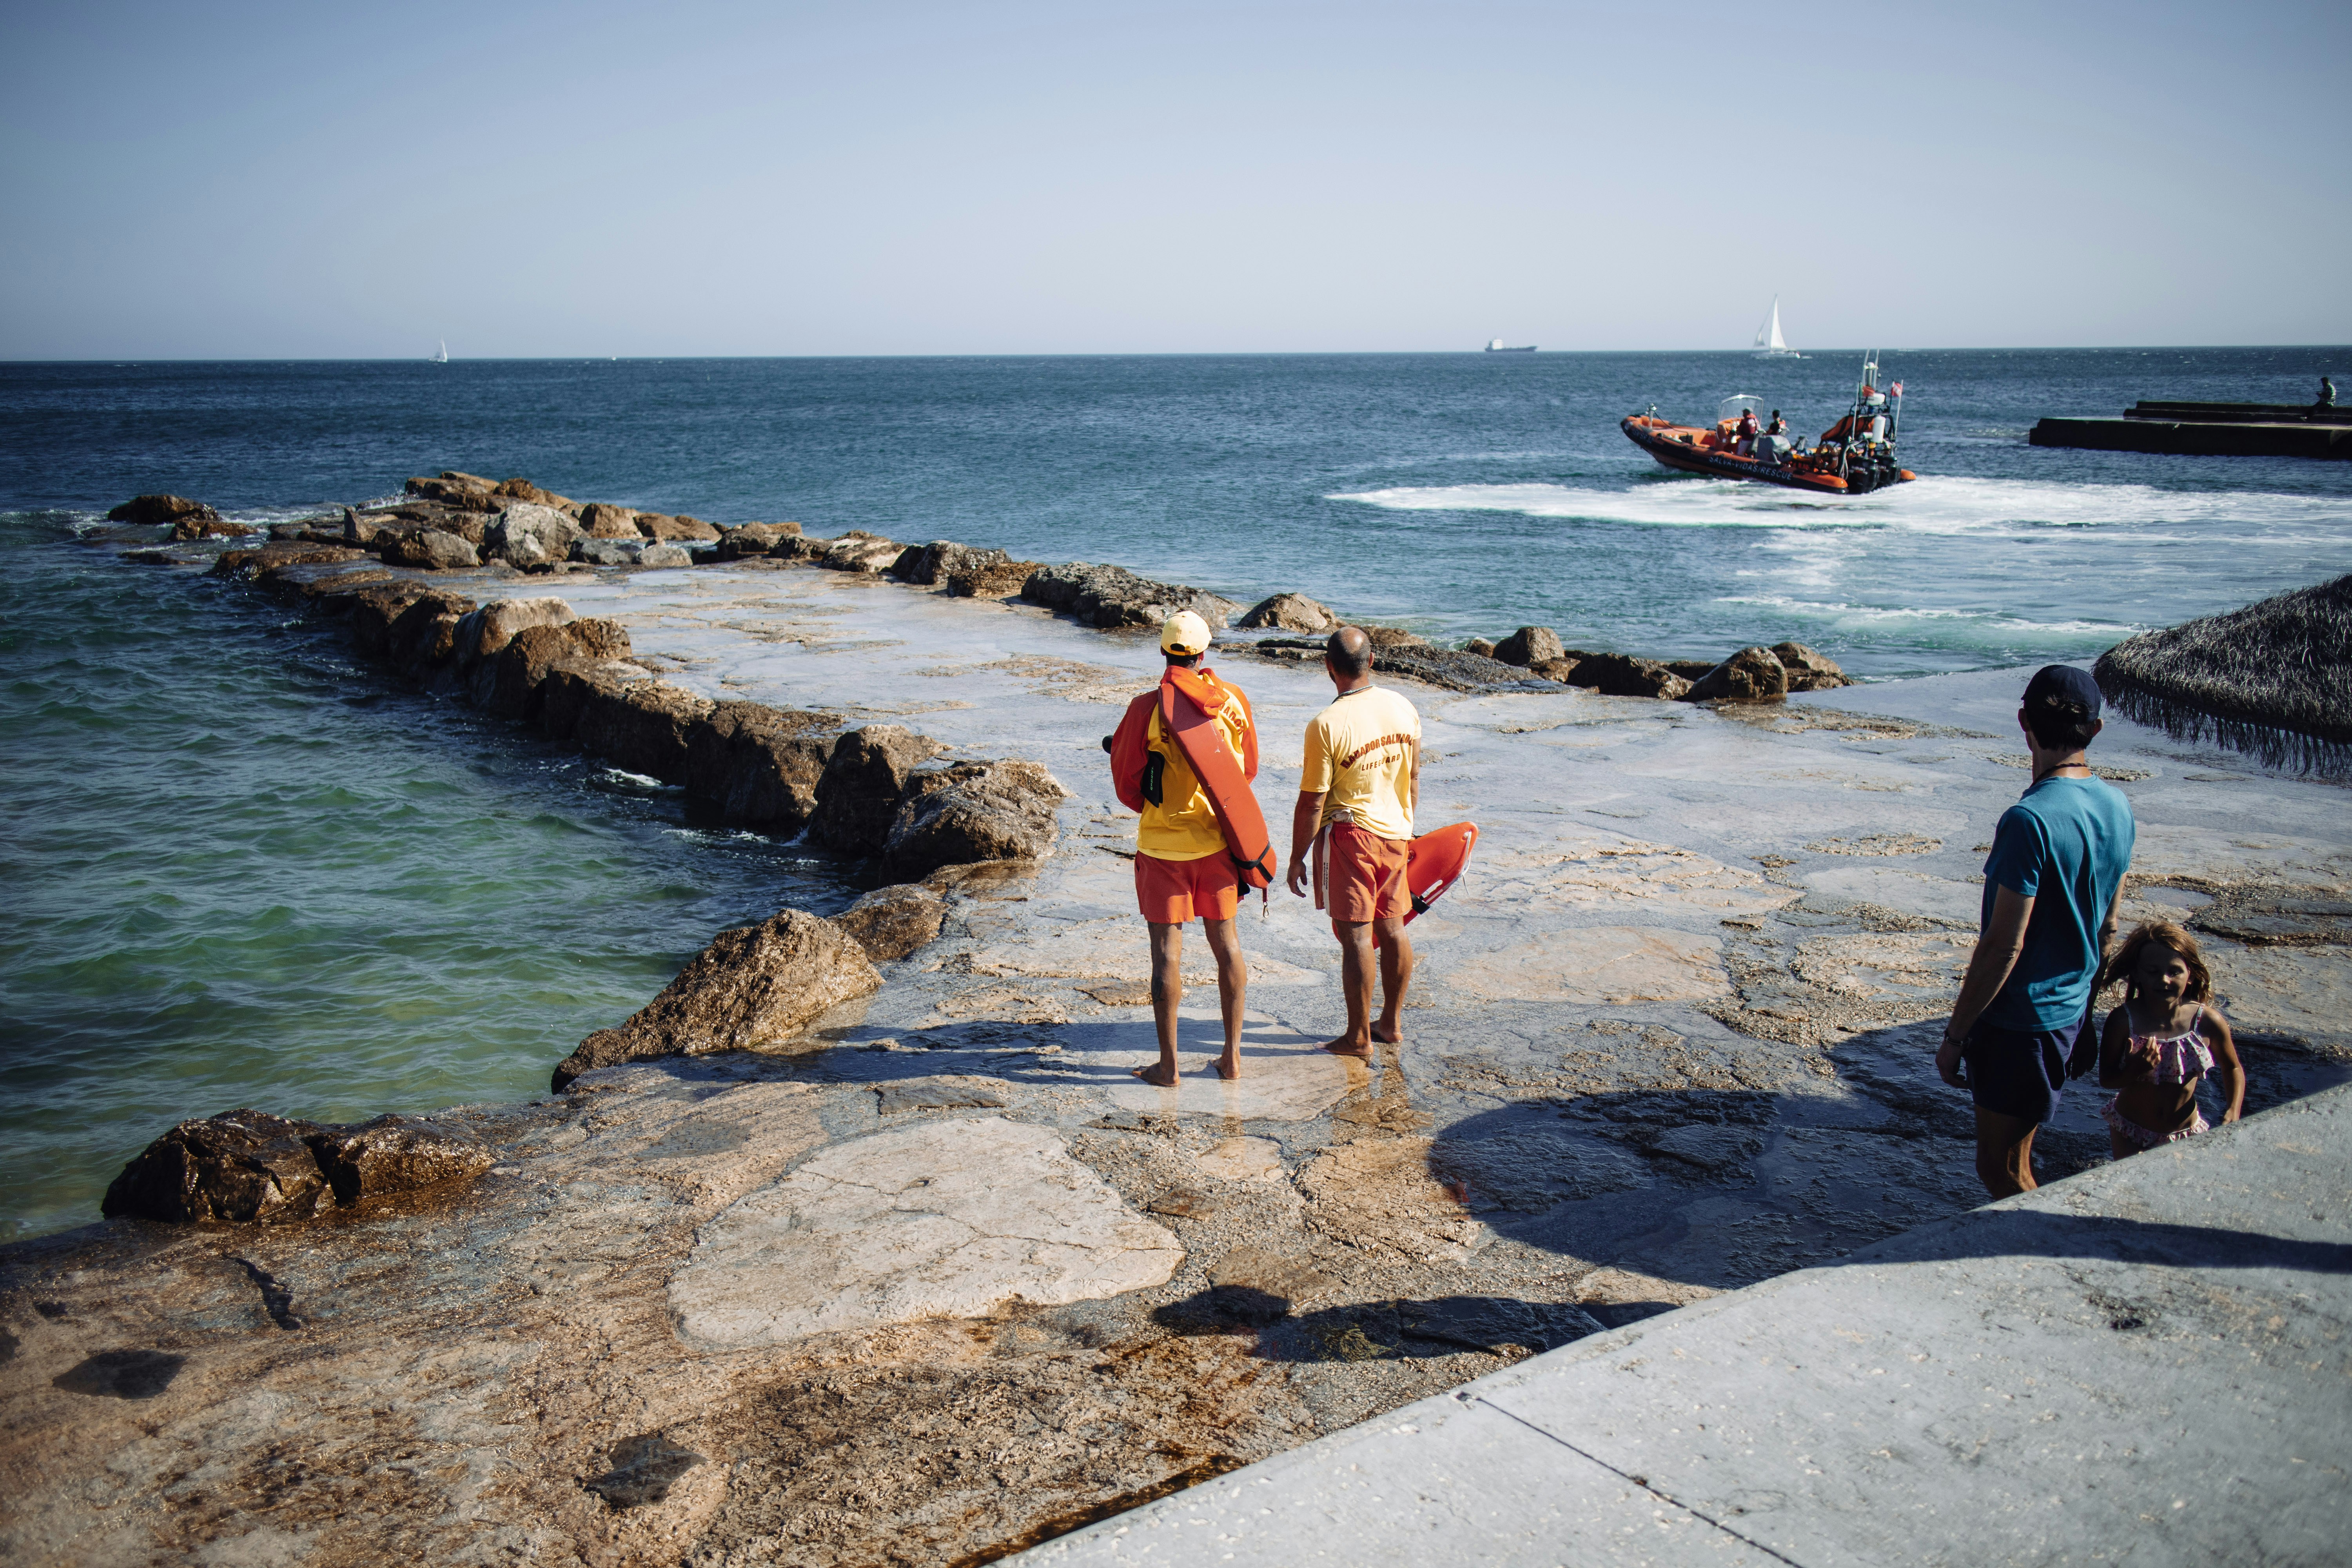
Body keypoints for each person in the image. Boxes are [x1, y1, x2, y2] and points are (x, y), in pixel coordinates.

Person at [1936, 665, 2136, 1198]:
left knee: (1999, 1170)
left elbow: (2003, 946)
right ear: (2095, 731)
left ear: (2023, 721)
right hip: (2065, 1012)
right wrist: (2087, 1015)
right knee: (2018, 1159)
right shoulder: (2118, 807)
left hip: (2018, 1023)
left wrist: (1955, 1037)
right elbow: (2108, 927)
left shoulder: (2029, 820)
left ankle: (2040, 1260)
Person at [1107, 611, 1256, 1085]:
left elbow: (1127, 788)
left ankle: (1168, 1066)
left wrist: (1158, 801)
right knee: (1227, 946)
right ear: (1203, 653)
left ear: (1164, 652)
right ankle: (1231, 1058)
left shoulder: (1143, 708)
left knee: (1166, 956)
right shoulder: (1233, 701)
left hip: (1163, 850)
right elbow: (1244, 773)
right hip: (1217, 846)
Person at [1284, 626, 1420, 1057]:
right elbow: (1412, 778)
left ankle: (1358, 1037)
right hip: (1397, 831)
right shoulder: (1404, 707)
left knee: (1357, 936)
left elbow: (1311, 803)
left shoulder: (1325, 724)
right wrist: (1407, 825)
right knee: (1394, 928)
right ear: (1373, 661)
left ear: (1329, 669)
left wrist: (1296, 858)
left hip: (1353, 835)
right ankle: (1391, 1024)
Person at [2096, 921, 2242, 1157]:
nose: (2164, 980)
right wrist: (2136, 1069)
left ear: (2191, 975)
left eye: (2174, 972)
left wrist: (2233, 1110)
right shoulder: (2124, 1021)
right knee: (2132, 1189)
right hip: (2131, 1130)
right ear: (2137, 974)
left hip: (2185, 1130)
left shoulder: (2207, 1021)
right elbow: (2107, 1080)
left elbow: (2233, 1067)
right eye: (2152, 972)